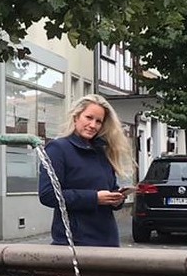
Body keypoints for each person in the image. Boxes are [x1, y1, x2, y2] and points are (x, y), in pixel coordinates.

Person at [37, 94, 135, 246]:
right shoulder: (58, 148)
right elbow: (48, 195)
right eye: (88, 117)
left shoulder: (102, 151)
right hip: (74, 242)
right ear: (76, 117)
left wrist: (116, 199)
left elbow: (109, 188)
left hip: (107, 240)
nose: (93, 125)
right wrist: (94, 198)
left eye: (98, 121)